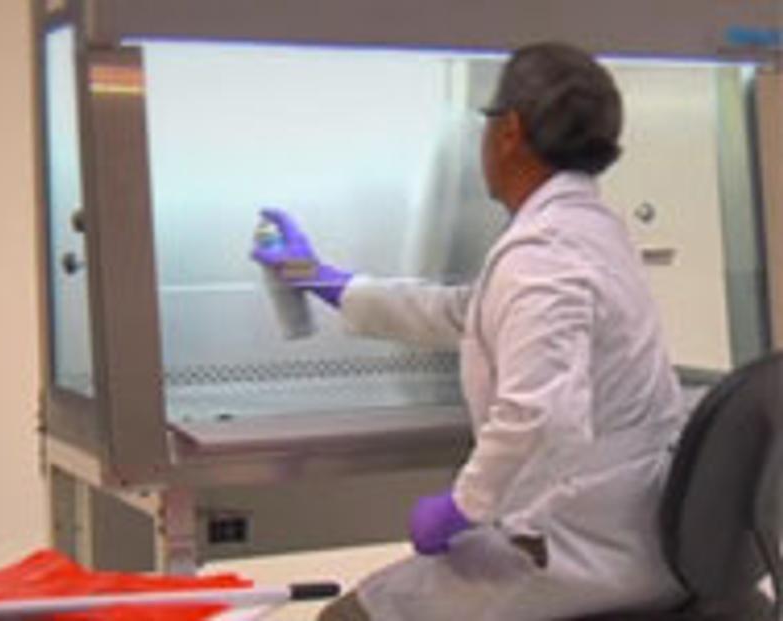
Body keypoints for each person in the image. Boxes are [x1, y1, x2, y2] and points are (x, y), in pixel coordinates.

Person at [251, 42, 687, 621]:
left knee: (348, 617)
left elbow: (538, 414)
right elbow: (467, 312)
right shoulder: (584, 229)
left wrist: (460, 506)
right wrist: (319, 279)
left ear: (509, 131)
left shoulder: (546, 252)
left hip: (575, 551)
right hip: (626, 528)